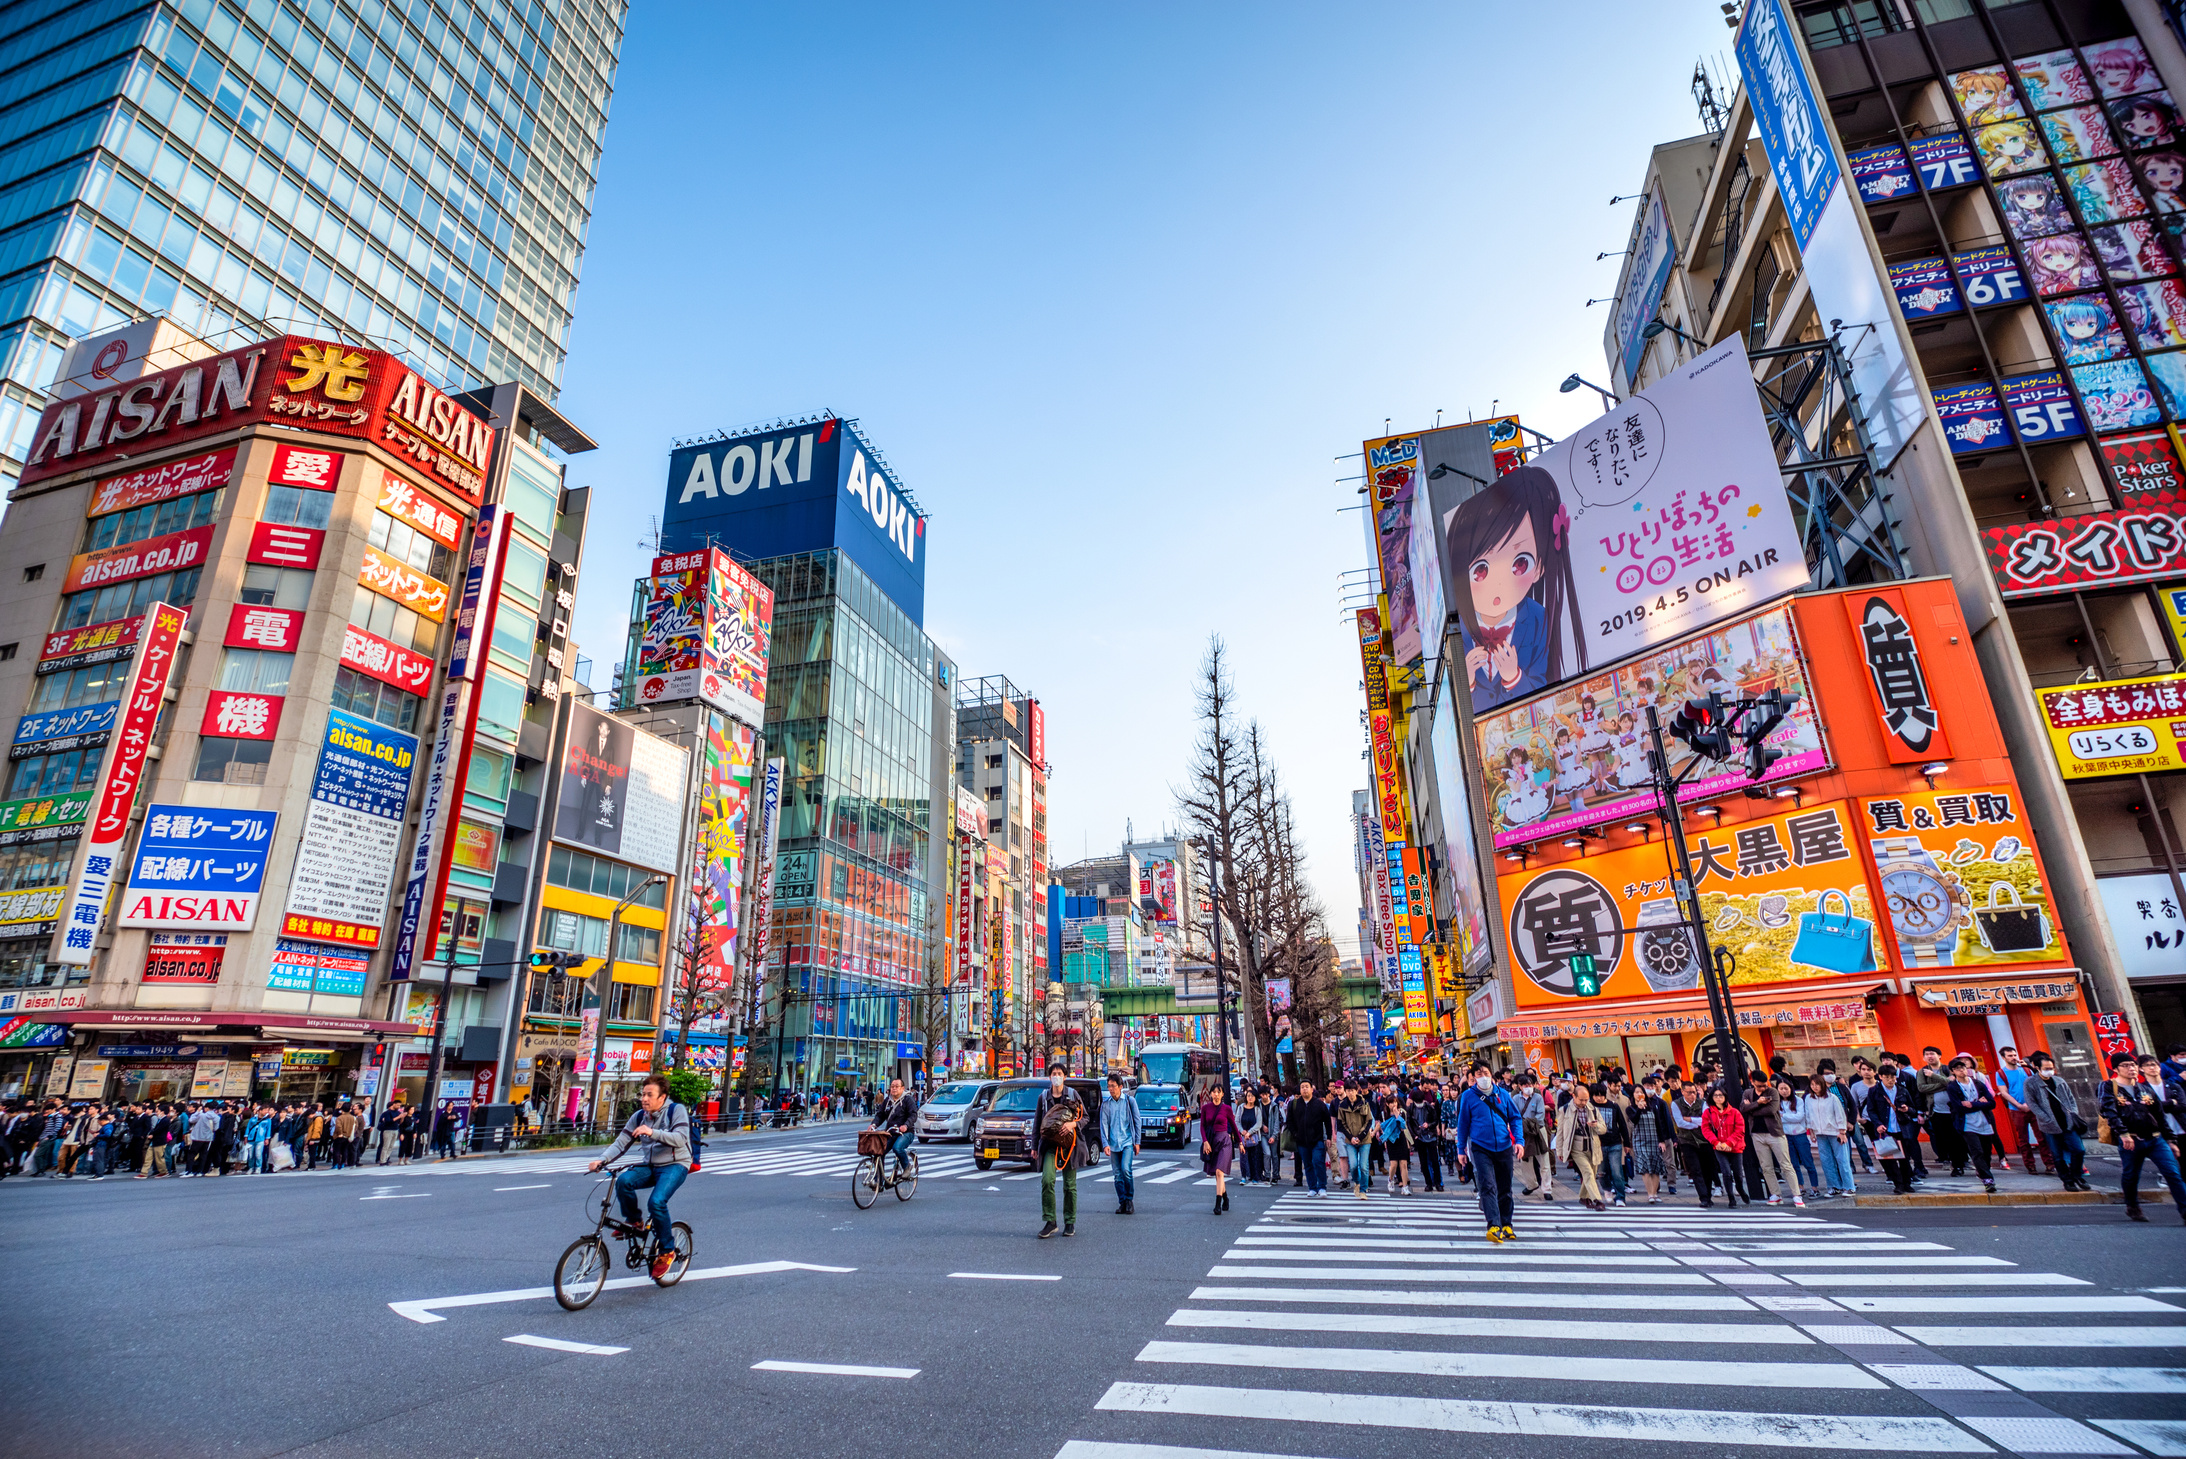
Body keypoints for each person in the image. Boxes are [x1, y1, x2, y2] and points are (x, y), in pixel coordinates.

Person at [588, 1072, 693, 1279]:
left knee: (656, 1202)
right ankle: (634, 1221)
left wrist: (652, 1132)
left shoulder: (675, 1110)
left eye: (649, 1095)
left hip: (675, 1165)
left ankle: (667, 1250)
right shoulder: (638, 1116)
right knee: (624, 1180)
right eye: (643, 1094)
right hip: (651, 1165)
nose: (644, 1098)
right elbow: (621, 1142)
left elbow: (681, 1139)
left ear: (662, 1098)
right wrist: (602, 1160)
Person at [2102, 1051, 2186, 1223]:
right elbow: (2109, 1111)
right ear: (2116, 1069)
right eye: (2125, 1066)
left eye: (2132, 1065)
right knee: (2131, 1175)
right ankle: (2132, 1206)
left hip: (2155, 1139)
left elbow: (2160, 1115)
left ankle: (2184, 1209)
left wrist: (2171, 1140)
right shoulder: (2109, 1087)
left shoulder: (2144, 1089)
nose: (2131, 1068)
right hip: (2131, 1140)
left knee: (2173, 1173)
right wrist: (2123, 1134)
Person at [1454, 1064, 1521, 1241]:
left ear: (1492, 1075)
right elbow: (1463, 1125)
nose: (1483, 1076)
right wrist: (1461, 1149)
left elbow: (1515, 1118)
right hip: (1480, 1146)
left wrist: (1519, 1142)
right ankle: (1494, 1225)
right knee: (1487, 1185)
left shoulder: (1503, 1094)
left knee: (1505, 1187)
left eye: (1486, 1073)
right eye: (1478, 1074)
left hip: (1504, 1146)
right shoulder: (1468, 1096)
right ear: (1473, 1077)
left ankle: (1507, 1224)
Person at [2023, 1050, 2091, 1192]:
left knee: (2079, 1150)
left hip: (2067, 1122)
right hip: (2049, 1125)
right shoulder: (2031, 1083)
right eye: (2046, 1069)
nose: (2049, 1071)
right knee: (2057, 1154)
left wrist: (2072, 1112)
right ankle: (2067, 1180)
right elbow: (2032, 1103)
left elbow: (2071, 1099)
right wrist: (2045, 1118)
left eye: (2051, 1068)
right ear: (2038, 1068)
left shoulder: (2059, 1081)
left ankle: (2077, 1175)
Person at [1033, 1067, 1086, 1238]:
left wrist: (1073, 1125)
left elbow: (1085, 1117)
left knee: (1069, 1185)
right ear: (1049, 1077)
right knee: (1047, 1180)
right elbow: (1037, 1123)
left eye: (1059, 1074)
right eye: (1054, 1074)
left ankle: (1069, 1222)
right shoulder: (1043, 1098)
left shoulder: (1072, 1094)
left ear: (1065, 1077)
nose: (1056, 1077)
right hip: (1049, 1144)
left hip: (1069, 1144)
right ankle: (1050, 1221)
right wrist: (1034, 1147)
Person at [1742, 1075, 1803, 1207]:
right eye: (1759, 1086)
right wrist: (1758, 1103)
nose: (1763, 1088)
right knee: (1766, 1166)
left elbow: (1771, 1109)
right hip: (1757, 1134)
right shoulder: (1748, 1093)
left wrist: (1752, 1109)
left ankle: (1796, 1195)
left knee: (1786, 1165)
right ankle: (1775, 1194)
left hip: (1774, 1133)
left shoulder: (1772, 1092)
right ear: (1753, 1083)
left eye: (1765, 1085)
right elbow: (1743, 1109)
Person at [1943, 1055, 2001, 1194]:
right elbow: (1959, 1107)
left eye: (1963, 1067)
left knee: (1987, 1152)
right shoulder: (1953, 1087)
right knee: (1977, 1151)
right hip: (1967, 1124)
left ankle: (1982, 1171)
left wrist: (1973, 1104)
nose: (1962, 1070)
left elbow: (1991, 1103)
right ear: (1952, 1071)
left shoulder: (1978, 1083)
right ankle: (1988, 1180)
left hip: (1984, 1122)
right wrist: (1980, 1103)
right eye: (1958, 1069)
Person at [1860, 1057, 1916, 1195]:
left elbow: (1913, 1109)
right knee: (1890, 1159)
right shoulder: (1874, 1091)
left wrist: (1906, 1109)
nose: (1891, 1080)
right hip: (1885, 1130)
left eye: (1893, 1077)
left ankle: (1907, 1183)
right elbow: (1871, 1110)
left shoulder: (1902, 1090)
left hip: (1902, 1128)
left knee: (1905, 1158)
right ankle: (1898, 1184)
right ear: (1880, 1077)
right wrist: (1878, 1124)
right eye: (1887, 1077)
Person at [1993, 1046, 2046, 1176]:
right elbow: (2004, 1092)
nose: (2014, 1058)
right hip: (2016, 1109)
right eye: (2010, 1056)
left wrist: (2029, 1066)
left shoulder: (2027, 1070)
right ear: (2003, 1057)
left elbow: (2039, 1083)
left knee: (2042, 1137)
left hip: (2033, 1107)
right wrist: (2018, 1105)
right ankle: (2030, 1166)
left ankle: (2049, 1164)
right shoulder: (2000, 1073)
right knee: (2023, 1139)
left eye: (2015, 1055)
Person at [1801, 1073, 1855, 1198]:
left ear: (1823, 1085)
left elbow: (1840, 1115)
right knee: (1826, 1162)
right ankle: (1834, 1186)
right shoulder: (1809, 1098)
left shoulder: (1832, 1098)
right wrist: (1812, 1132)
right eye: (1812, 1085)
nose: (1814, 1087)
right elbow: (1809, 1115)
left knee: (1842, 1160)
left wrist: (1842, 1131)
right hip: (1820, 1133)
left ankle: (1849, 1187)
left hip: (1835, 1132)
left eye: (1817, 1084)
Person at [1099, 1073, 1142, 1213]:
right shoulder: (1106, 1104)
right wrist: (1105, 1144)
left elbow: (1137, 1122)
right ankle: (1122, 1202)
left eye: (1113, 1086)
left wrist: (1137, 1142)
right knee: (1117, 1174)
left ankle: (1129, 1200)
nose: (1111, 1089)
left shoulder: (1130, 1102)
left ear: (1120, 1087)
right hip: (1113, 1143)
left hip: (1127, 1142)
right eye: (1109, 1086)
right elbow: (1103, 1124)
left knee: (1126, 1170)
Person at [1702, 1085, 1750, 1206]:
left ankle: (1740, 1188)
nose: (1718, 1098)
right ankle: (1731, 1198)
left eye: (1721, 1095)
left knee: (1738, 1173)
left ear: (1725, 1097)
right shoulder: (1708, 1112)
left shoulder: (1734, 1112)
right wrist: (1716, 1142)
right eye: (1716, 1095)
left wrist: (1729, 1143)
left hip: (1735, 1146)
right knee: (1726, 1172)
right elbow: (1706, 1129)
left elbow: (1740, 1129)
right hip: (1718, 1146)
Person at [1625, 1082, 1670, 1204]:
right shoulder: (1630, 1109)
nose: (1639, 1094)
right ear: (1633, 1095)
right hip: (1640, 1140)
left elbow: (1658, 1125)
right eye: (1637, 1092)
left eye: (1641, 1092)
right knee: (1645, 1167)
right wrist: (1639, 1109)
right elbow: (1634, 1120)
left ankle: (1655, 1193)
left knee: (1655, 1167)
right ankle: (1649, 1193)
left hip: (1654, 1139)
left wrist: (1662, 1141)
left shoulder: (1652, 1107)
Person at [1286, 1080, 1331, 1198]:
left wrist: (1329, 1137)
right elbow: (1289, 1121)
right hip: (1301, 1140)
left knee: (1318, 1162)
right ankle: (1312, 1187)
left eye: (1307, 1087)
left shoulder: (1319, 1104)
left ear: (1312, 1089)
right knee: (1307, 1164)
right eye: (1302, 1087)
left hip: (1317, 1139)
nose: (1304, 1089)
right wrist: (1295, 1133)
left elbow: (1327, 1121)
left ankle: (1322, 1187)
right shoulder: (1294, 1104)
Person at [1199, 1082, 1238, 1215]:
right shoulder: (1205, 1108)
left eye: (1218, 1092)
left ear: (1222, 1094)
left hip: (1225, 1142)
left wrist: (1240, 1142)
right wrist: (1205, 1142)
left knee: (1219, 1172)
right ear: (1210, 1094)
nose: (1216, 1094)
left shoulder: (1227, 1108)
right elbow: (1202, 1126)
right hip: (1211, 1142)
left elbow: (1233, 1126)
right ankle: (1226, 1197)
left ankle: (1217, 1204)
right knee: (1216, 1174)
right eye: (1214, 1092)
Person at [1589, 1083, 1629, 1207]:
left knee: (1617, 1172)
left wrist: (1627, 1143)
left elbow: (1622, 1125)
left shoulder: (1613, 1106)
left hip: (1614, 1143)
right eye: (1596, 1096)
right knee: (1601, 1172)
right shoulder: (1589, 1107)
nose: (1599, 1098)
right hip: (1597, 1144)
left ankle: (1620, 1197)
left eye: (1601, 1095)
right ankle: (1607, 1189)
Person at [1517, 1074, 1555, 1201]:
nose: (1528, 1087)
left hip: (1539, 1131)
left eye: (1530, 1085)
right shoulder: (1515, 1098)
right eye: (1525, 1086)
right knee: (1525, 1160)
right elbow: (1515, 1115)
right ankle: (1531, 1184)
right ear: (1520, 1087)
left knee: (1544, 1160)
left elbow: (1540, 1115)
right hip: (1523, 1133)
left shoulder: (1538, 1097)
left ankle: (1547, 1189)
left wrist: (1528, 1124)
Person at [871, 1077, 918, 1178]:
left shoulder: (908, 1100)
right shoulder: (887, 1100)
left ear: (902, 1088)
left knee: (897, 1148)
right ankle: (878, 1179)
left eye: (897, 1086)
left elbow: (913, 1115)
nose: (894, 1088)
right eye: (892, 1086)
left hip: (906, 1133)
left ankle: (906, 1167)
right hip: (890, 1132)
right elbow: (880, 1115)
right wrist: (874, 1124)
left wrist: (906, 1125)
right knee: (879, 1152)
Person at [1336, 1084, 1374, 1196]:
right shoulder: (1342, 1105)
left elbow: (1368, 1121)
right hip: (1349, 1140)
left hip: (1364, 1140)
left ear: (1356, 1091)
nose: (1350, 1093)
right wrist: (1351, 1137)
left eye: (1352, 1090)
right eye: (1348, 1091)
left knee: (1363, 1166)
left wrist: (1360, 1136)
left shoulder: (1364, 1103)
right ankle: (1357, 1182)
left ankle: (1363, 1189)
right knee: (1352, 1165)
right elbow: (1341, 1124)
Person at [1411, 1082, 1447, 1193]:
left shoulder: (1429, 1107)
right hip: (1419, 1136)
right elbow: (1409, 1123)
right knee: (1423, 1162)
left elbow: (1436, 1120)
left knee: (1435, 1161)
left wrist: (1429, 1125)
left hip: (1430, 1136)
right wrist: (1414, 1135)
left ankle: (1438, 1183)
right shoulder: (1411, 1108)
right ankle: (1428, 1183)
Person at [1237, 1088, 1267, 1187]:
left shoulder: (1257, 1109)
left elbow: (1259, 1123)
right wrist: (1242, 1131)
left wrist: (1249, 1132)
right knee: (1243, 1157)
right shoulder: (1241, 1108)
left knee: (1254, 1158)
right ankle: (1243, 1177)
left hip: (1254, 1137)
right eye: (1248, 1096)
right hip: (1243, 1137)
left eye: (1252, 1096)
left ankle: (1255, 1177)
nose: (1250, 1098)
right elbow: (1237, 1121)